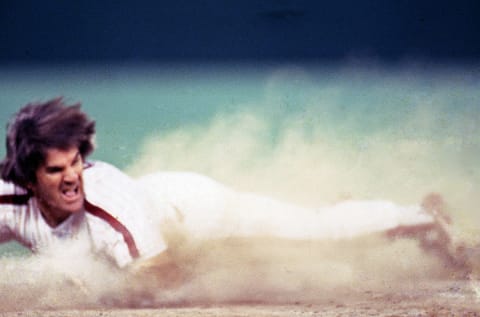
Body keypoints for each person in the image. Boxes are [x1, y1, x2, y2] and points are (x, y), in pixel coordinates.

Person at [0, 98, 469, 284]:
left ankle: (422, 216)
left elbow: (157, 274)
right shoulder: (10, 200)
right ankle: (348, 212)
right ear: (26, 175)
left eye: (78, 160)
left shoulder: (107, 206)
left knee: (316, 237)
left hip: (201, 214)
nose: (72, 176)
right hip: (167, 223)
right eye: (56, 169)